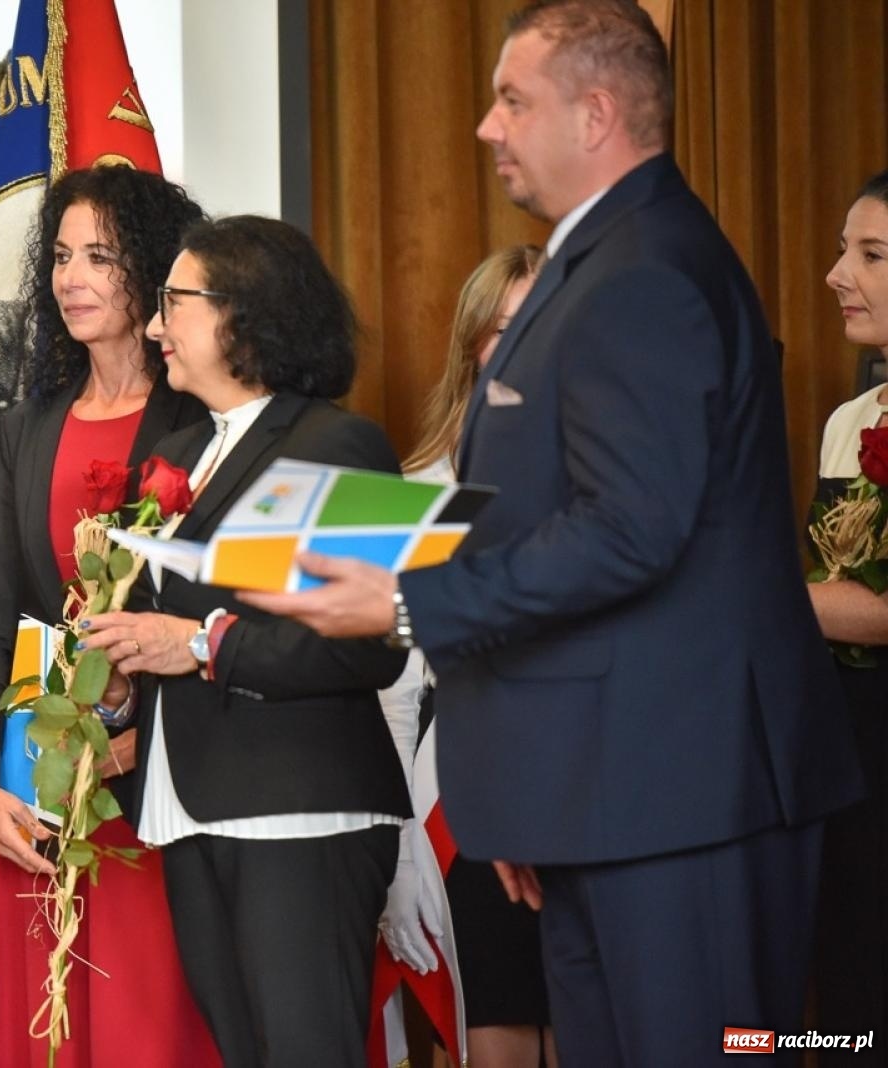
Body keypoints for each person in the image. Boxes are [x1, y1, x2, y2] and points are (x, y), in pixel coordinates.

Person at [238, 3, 861, 1063]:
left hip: (679, 796)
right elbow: (540, 514)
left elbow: (629, 532)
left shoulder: (645, 274)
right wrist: (535, 801)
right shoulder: (595, 264)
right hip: (607, 795)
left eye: (512, 101)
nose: (486, 126)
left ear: (597, 113)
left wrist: (398, 597)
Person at [79, 214, 412, 1066]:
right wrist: (117, 667)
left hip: (301, 810)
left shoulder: (344, 442)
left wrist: (195, 643)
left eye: (172, 304)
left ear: (243, 312)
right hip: (189, 804)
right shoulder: (183, 449)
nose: (154, 327)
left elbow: (371, 647)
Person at [0, 165, 217, 1067]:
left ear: (151, 270)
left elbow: (226, 617)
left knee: (146, 1028)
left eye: (99, 256)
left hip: (152, 792)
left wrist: (131, 747)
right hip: (37, 793)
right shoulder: (28, 425)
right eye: (60, 257)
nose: (72, 278)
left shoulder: (205, 424)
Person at [376, 245, 556, 1068]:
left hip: (594, 791)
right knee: (495, 1030)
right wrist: (404, 847)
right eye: (501, 329)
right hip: (465, 795)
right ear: (470, 345)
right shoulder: (413, 491)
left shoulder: (609, 479)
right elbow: (393, 692)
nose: (520, 346)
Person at [809, 168, 888, 1062]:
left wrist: (737, 591)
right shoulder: (849, 422)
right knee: (846, 999)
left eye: (869, 253)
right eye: (841, 248)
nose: (836, 272)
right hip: (846, 743)